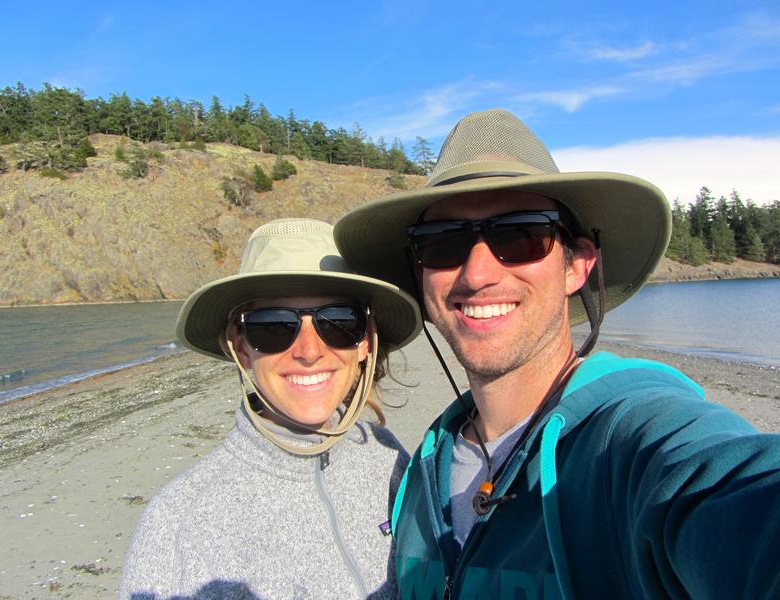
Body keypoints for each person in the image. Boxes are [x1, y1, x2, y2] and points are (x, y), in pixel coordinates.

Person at [333, 109, 780, 598]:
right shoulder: (421, 471)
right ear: (420, 278)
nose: (477, 273)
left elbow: (733, 493)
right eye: (443, 245)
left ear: (578, 266)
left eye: (520, 236)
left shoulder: (630, 441)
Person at [119, 218, 422, 599]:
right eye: (274, 326)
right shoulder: (176, 523)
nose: (310, 352)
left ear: (365, 342)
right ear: (242, 347)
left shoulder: (390, 458)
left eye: (338, 322)